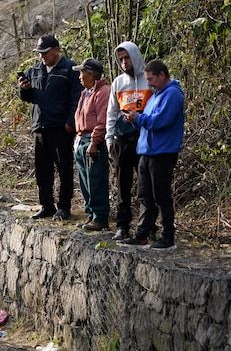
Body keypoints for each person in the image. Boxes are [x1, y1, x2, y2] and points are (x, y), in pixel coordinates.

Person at [119, 60, 184, 250]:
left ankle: (168, 236)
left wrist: (138, 117)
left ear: (162, 75)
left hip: (162, 153)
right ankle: (142, 235)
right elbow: (147, 121)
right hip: (146, 151)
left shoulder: (172, 94)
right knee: (145, 195)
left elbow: (160, 121)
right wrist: (133, 119)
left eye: (151, 79)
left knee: (161, 196)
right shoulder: (156, 95)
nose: (149, 83)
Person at [18, 35, 83, 220]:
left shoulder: (70, 69)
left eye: (45, 52)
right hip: (39, 126)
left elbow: (76, 98)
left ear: (56, 50)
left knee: (64, 169)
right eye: (40, 53)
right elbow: (28, 98)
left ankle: (64, 206)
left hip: (60, 127)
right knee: (42, 169)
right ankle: (46, 205)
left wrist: (70, 123)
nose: (42, 57)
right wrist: (24, 88)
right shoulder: (34, 70)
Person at [105, 41, 151, 240]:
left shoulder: (148, 81)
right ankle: (122, 226)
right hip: (122, 140)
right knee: (122, 185)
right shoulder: (118, 83)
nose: (124, 62)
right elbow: (111, 112)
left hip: (144, 138)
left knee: (145, 185)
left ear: (135, 57)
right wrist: (109, 138)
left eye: (127, 58)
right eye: (121, 59)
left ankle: (148, 226)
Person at [72, 59, 111, 231]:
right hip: (81, 139)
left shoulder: (103, 92)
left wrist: (95, 142)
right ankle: (91, 213)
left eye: (82, 72)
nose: (79, 76)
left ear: (91, 74)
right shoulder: (85, 93)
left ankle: (100, 217)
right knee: (84, 180)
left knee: (95, 180)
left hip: (93, 141)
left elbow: (102, 121)